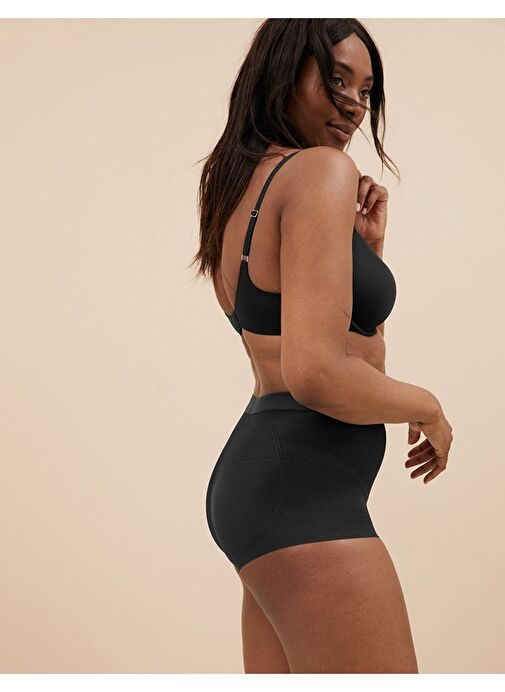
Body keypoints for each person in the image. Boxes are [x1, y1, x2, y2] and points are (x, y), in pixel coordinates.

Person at [191, 19, 453, 674]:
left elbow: (342, 353)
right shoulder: (320, 172)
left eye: (365, 90)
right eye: (336, 80)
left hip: (269, 479)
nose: (354, 105)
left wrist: (366, 255)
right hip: (303, 490)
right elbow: (315, 373)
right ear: (283, 71)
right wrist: (427, 407)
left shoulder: (242, 184)